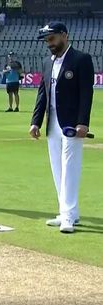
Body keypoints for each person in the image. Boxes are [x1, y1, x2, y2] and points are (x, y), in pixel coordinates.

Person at [29, 22, 94, 233]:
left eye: (52, 39)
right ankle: (67, 212)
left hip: (72, 124)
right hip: (52, 123)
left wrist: (83, 122)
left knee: (70, 169)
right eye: (47, 40)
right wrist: (35, 122)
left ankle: (67, 216)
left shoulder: (81, 60)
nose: (49, 44)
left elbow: (86, 93)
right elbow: (42, 94)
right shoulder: (48, 63)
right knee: (57, 168)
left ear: (64, 36)